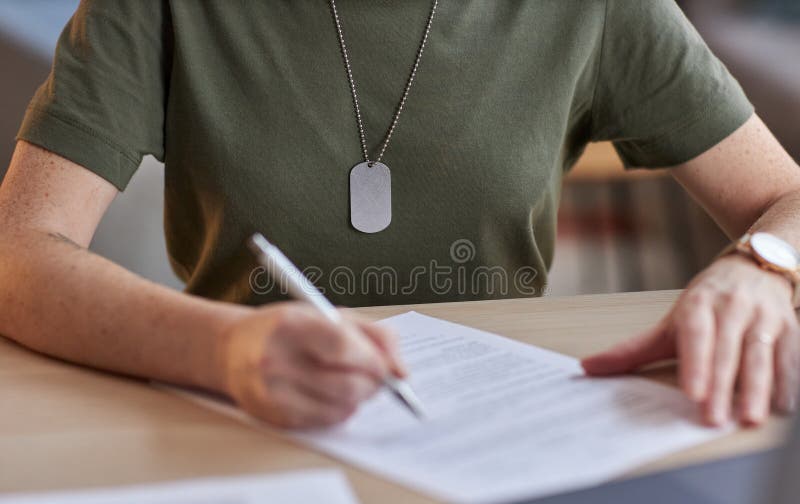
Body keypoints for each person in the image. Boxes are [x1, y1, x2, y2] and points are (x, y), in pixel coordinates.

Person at [1, 0, 798, 430]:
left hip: (490, 431)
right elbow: (19, 250)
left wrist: (760, 266)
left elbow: (786, 198)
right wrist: (225, 349)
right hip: (236, 419)